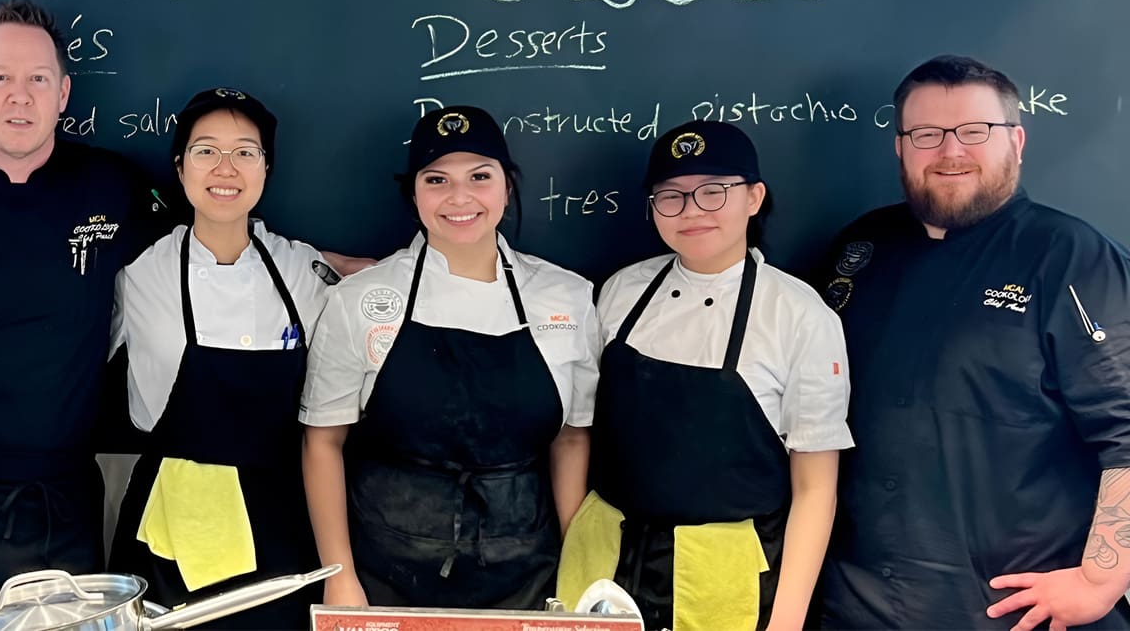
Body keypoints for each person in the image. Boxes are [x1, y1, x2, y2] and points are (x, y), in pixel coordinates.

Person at [816, 55, 1130, 630]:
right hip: (855, 604)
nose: (950, 151)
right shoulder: (860, 248)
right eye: (927, 133)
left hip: (1008, 612)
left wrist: (1102, 579)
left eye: (974, 132)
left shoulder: (1072, 258)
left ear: (1016, 140)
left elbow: (1128, 431)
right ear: (900, 147)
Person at [0, 0, 174, 616]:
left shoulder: (114, 184)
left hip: (62, 495)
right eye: (0, 79)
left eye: (37, 80)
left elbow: (208, 239)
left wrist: (328, 264)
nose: (19, 97)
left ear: (64, 92)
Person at [301, 106, 600, 611]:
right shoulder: (359, 301)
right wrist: (340, 577)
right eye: (436, 179)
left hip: (527, 566)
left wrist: (576, 571)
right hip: (385, 565)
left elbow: (571, 438)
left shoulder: (566, 296)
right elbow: (322, 443)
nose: (460, 198)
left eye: (480, 177)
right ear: (413, 193)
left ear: (507, 186)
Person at [556, 120, 849, 631]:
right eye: (670, 196)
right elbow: (579, 429)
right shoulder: (621, 291)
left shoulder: (801, 315)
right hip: (605, 564)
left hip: (725, 576)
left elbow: (816, 488)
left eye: (714, 192)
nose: (691, 211)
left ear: (754, 198)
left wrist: (786, 622)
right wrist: (574, 539)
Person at [107, 87, 334, 628]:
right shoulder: (138, 273)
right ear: (181, 167)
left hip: (280, 525)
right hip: (170, 532)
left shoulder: (305, 272)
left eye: (245, 152)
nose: (225, 168)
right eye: (206, 150)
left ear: (266, 168)